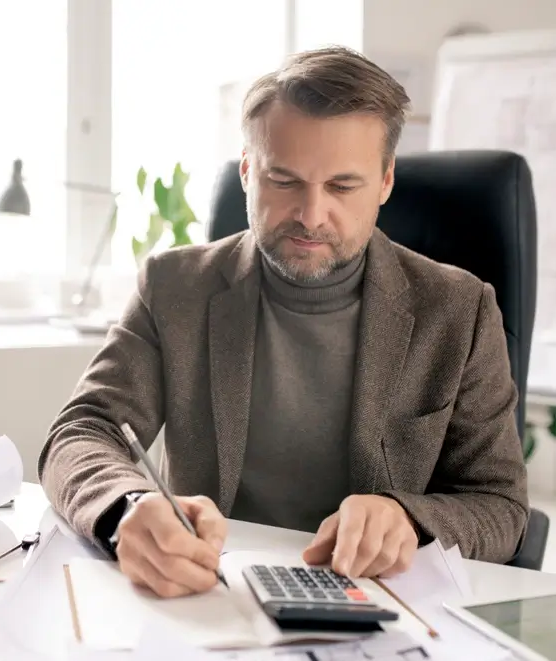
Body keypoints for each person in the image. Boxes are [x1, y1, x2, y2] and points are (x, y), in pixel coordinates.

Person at [38, 46, 529, 599]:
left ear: (386, 181)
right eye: (284, 180)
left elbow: (501, 507)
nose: (312, 215)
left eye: (343, 186)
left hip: (377, 606)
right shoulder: (174, 286)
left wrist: (408, 520)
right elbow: (82, 432)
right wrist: (126, 508)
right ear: (248, 171)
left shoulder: (458, 310)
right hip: (207, 596)